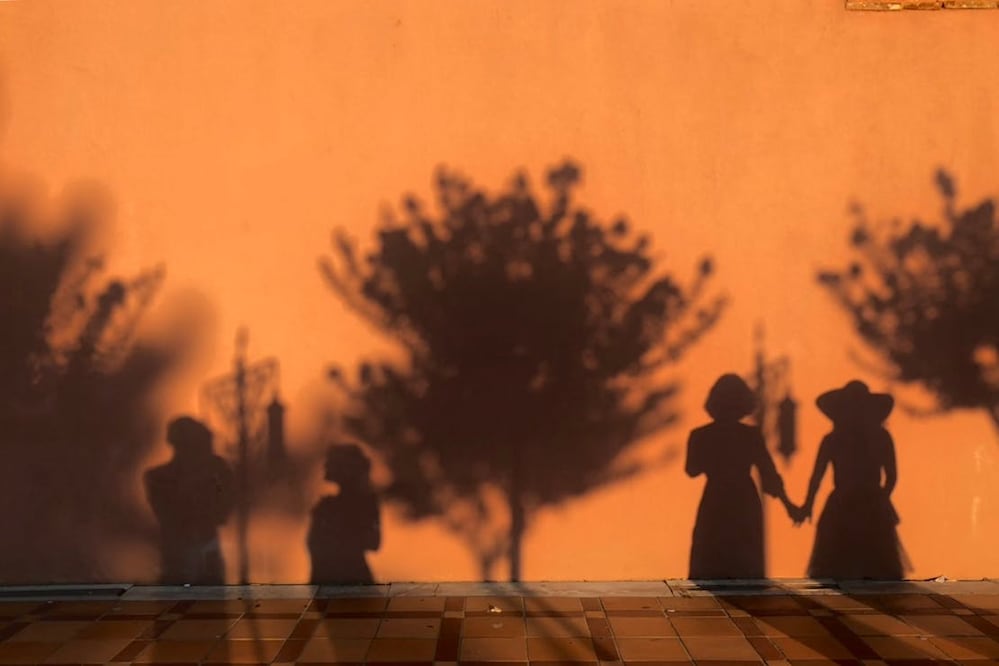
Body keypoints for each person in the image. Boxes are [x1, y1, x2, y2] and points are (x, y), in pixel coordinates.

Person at [687, 373, 798, 579]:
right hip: (744, 500)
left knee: (711, 561)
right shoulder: (751, 435)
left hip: (715, 499)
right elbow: (769, 475)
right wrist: (788, 505)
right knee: (745, 565)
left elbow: (691, 470)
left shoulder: (700, 435)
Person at [796, 380, 907, 579]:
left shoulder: (833, 439)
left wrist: (808, 505)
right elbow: (892, 476)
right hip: (869, 504)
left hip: (843, 503)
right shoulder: (880, 436)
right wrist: (882, 498)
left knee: (837, 565)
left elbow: (817, 478)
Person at [144, 416, 235, 584]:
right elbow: (169, 516)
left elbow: (222, 511)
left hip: (203, 556)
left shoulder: (215, 472)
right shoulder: (158, 478)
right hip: (178, 560)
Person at [307, 443, 381, 584]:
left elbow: (373, 542)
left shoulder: (362, 504)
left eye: (333, 463)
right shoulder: (326, 507)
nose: (326, 466)